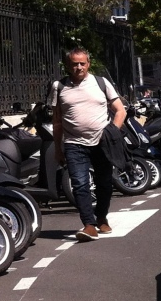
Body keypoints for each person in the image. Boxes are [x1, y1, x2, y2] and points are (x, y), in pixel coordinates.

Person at [50, 47, 127, 242]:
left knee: (104, 184)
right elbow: (57, 121)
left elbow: (120, 111)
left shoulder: (101, 83)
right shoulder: (59, 87)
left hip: (102, 143)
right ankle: (88, 224)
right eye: (74, 64)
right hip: (74, 144)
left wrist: (112, 133)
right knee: (80, 184)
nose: (78, 67)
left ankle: (101, 217)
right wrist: (58, 148)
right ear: (68, 65)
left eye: (82, 63)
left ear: (88, 64)